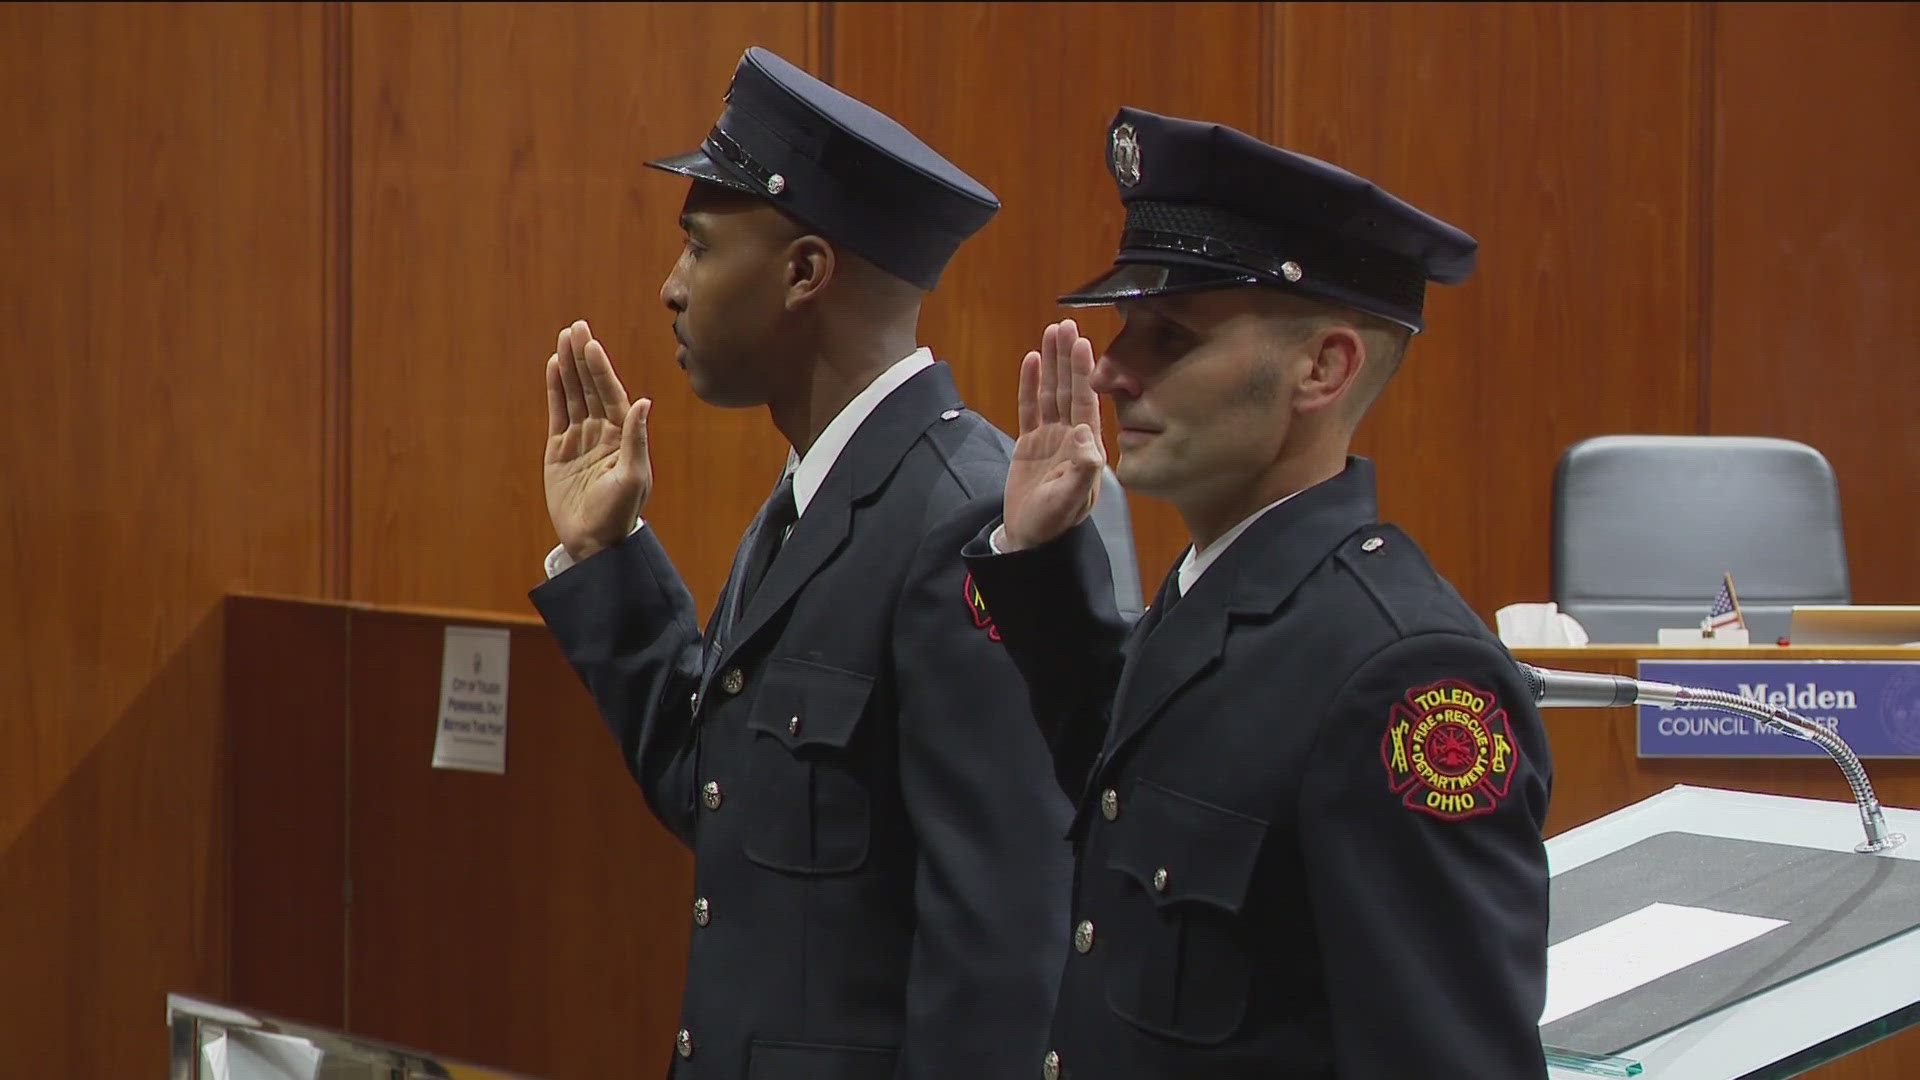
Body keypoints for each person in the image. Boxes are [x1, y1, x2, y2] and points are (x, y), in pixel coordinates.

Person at [962, 108, 1553, 1078]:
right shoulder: (1217, 592)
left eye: (1172, 336)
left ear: (1322, 369)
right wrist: (1033, 559)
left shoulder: (1400, 676)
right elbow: (1130, 789)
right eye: (1122, 328)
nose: (1113, 371)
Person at [531, 48, 1082, 1080]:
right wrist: (607, 557)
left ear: (804, 273)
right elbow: (726, 796)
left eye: (699, 249)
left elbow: (1002, 952)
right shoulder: (815, 498)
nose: (672, 288)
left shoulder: (968, 516)